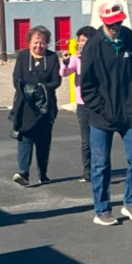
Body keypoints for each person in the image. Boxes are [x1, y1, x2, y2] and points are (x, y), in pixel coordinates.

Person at [80, 0, 132, 226]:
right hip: (102, 116)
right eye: (111, 23)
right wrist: (102, 108)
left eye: (118, 22)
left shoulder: (131, 41)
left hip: (129, 114)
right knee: (100, 164)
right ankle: (102, 209)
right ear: (103, 21)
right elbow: (87, 86)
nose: (115, 26)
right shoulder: (93, 46)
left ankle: (131, 202)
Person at [11, 26, 62, 187]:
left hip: (45, 106)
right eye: (36, 42)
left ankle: (43, 173)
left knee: (43, 141)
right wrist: (27, 90)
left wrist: (42, 89)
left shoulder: (52, 58)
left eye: (42, 43)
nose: (39, 46)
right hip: (25, 105)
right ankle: (23, 172)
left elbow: (56, 81)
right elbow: (16, 79)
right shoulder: (23, 56)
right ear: (29, 42)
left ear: (47, 44)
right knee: (25, 137)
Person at [59, 25, 97, 182]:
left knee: (99, 139)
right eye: (80, 40)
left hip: (98, 104)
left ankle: (100, 168)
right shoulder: (76, 58)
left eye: (85, 40)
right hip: (83, 105)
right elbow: (64, 72)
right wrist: (65, 61)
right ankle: (87, 171)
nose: (81, 43)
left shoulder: (98, 57)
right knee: (86, 140)